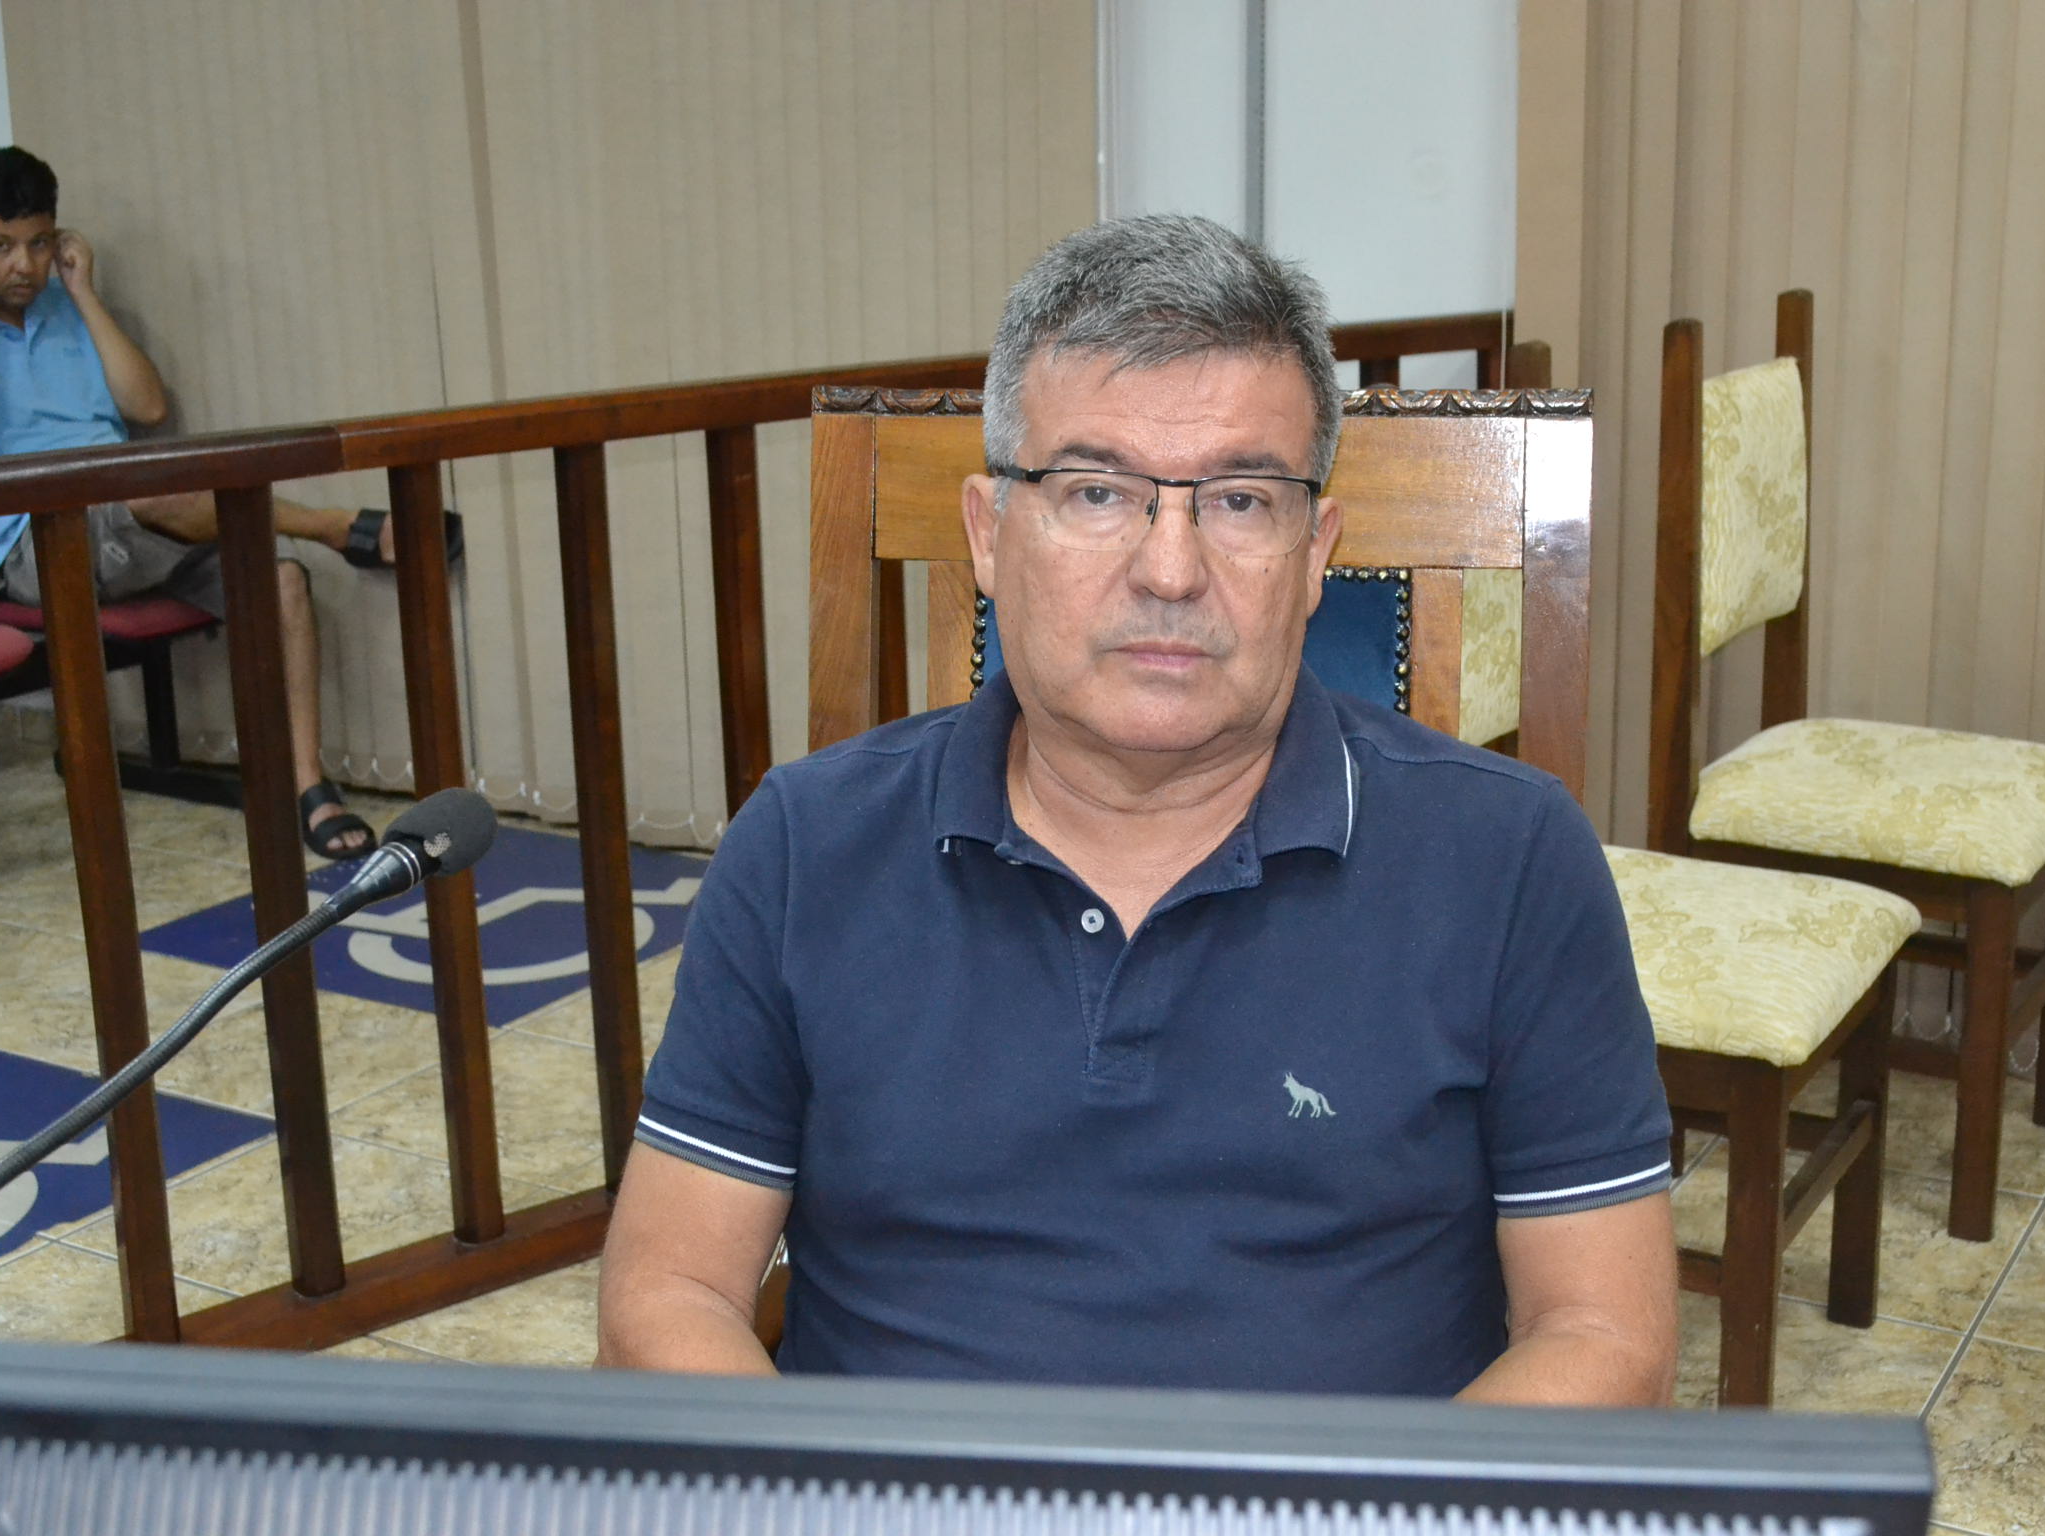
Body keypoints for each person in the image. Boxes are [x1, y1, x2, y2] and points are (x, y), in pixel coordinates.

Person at [598, 215, 1677, 1404]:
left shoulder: (1509, 860)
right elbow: (666, 1298)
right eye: (1098, 491)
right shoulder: (806, 844)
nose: (1170, 571)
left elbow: (1605, 1338)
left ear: (1316, 552)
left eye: (1241, 501)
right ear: (989, 534)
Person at [0, 147, 457, 859]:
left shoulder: (62, 301)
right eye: (0, 247)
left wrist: (84, 294)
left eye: (40, 243)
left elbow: (146, 406)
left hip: (140, 519)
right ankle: (335, 526)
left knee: (281, 583)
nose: (25, 265)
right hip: (36, 543)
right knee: (163, 487)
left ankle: (307, 784)